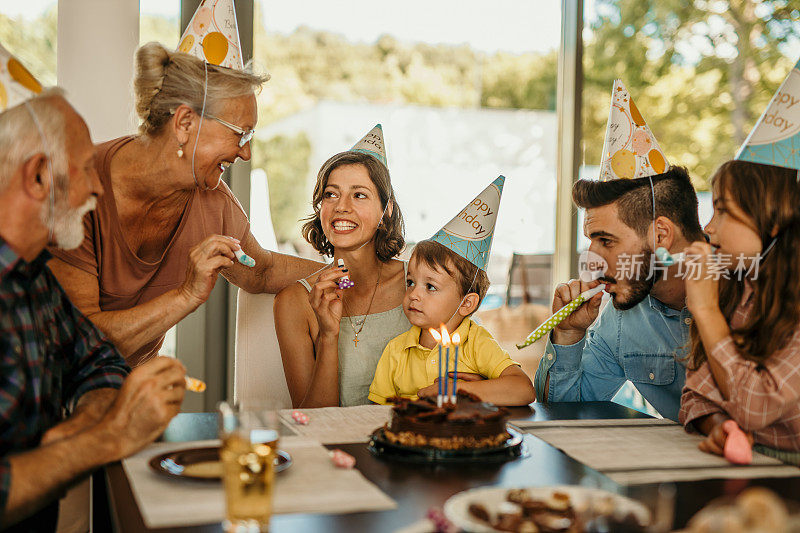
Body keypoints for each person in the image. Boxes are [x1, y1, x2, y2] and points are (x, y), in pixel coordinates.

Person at [47, 42, 320, 366]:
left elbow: (262, 270)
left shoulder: (213, 202)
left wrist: (356, 275)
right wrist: (187, 295)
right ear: (185, 123)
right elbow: (81, 343)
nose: (246, 153)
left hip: (131, 391)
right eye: (241, 134)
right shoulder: (77, 188)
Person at [0, 90, 186, 530]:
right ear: (40, 176)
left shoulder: (35, 278)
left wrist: (83, 421)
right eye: (86, 168)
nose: (98, 187)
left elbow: (95, 358)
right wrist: (106, 438)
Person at [534, 166, 706, 421]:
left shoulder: (755, 294)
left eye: (606, 241)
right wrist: (568, 333)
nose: (591, 263)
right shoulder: (623, 316)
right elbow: (566, 411)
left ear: (661, 235)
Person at [275, 127, 409, 408]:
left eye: (359, 195)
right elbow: (313, 420)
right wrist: (328, 335)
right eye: (331, 194)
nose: (341, 207)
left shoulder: (418, 283)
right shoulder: (294, 302)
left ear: (388, 211)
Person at [680, 160, 800, 464]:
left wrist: (706, 312)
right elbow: (695, 395)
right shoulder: (737, 285)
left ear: (775, 217)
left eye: (723, 210)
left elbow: (754, 405)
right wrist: (720, 425)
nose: (708, 228)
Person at [368, 239, 535, 405]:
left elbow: (524, 389)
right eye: (410, 282)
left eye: (430, 286)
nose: (413, 294)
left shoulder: (476, 343)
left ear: (466, 303)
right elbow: (376, 411)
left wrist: (456, 390)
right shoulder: (396, 350)